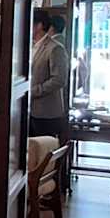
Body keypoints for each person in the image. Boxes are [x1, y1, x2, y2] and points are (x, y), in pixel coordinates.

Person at [30, 8, 69, 139]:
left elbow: (59, 80)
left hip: (46, 112)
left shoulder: (55, 48)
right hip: (30, 110)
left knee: (45, 147)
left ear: (39, 25)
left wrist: (34, 91)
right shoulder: (31, 46)